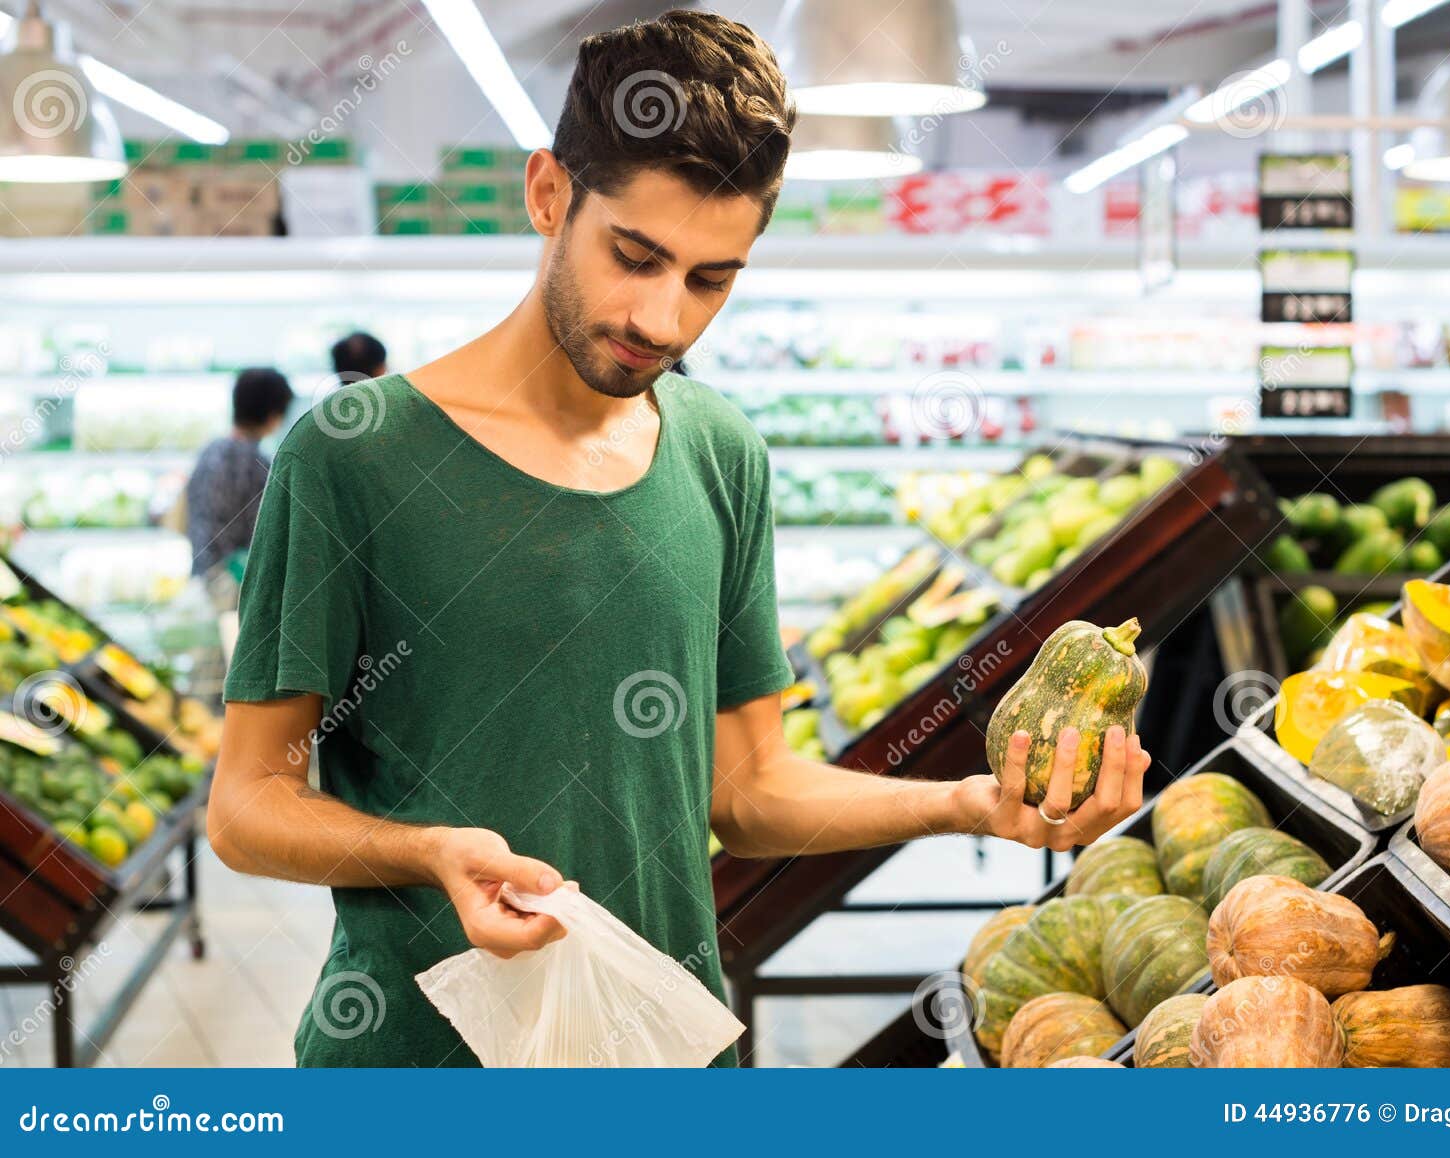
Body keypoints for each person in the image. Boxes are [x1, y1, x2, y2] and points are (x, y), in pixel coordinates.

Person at [209, 9, 1150, 1068]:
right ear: (547, 194)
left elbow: (746, 791)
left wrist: (969, 804)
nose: (662, 319)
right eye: (636, 256)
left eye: (711, 279)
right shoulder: (355, 453)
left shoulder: (720, 451)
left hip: (662, 1053)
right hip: (413, 1064)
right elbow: (247, 805)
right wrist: (428, 852)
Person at [183, 367, 294, 580]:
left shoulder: (209, 450)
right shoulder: (258, 463)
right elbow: (264, 535)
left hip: (202, 573)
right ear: (274, 415)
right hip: (237, 582)